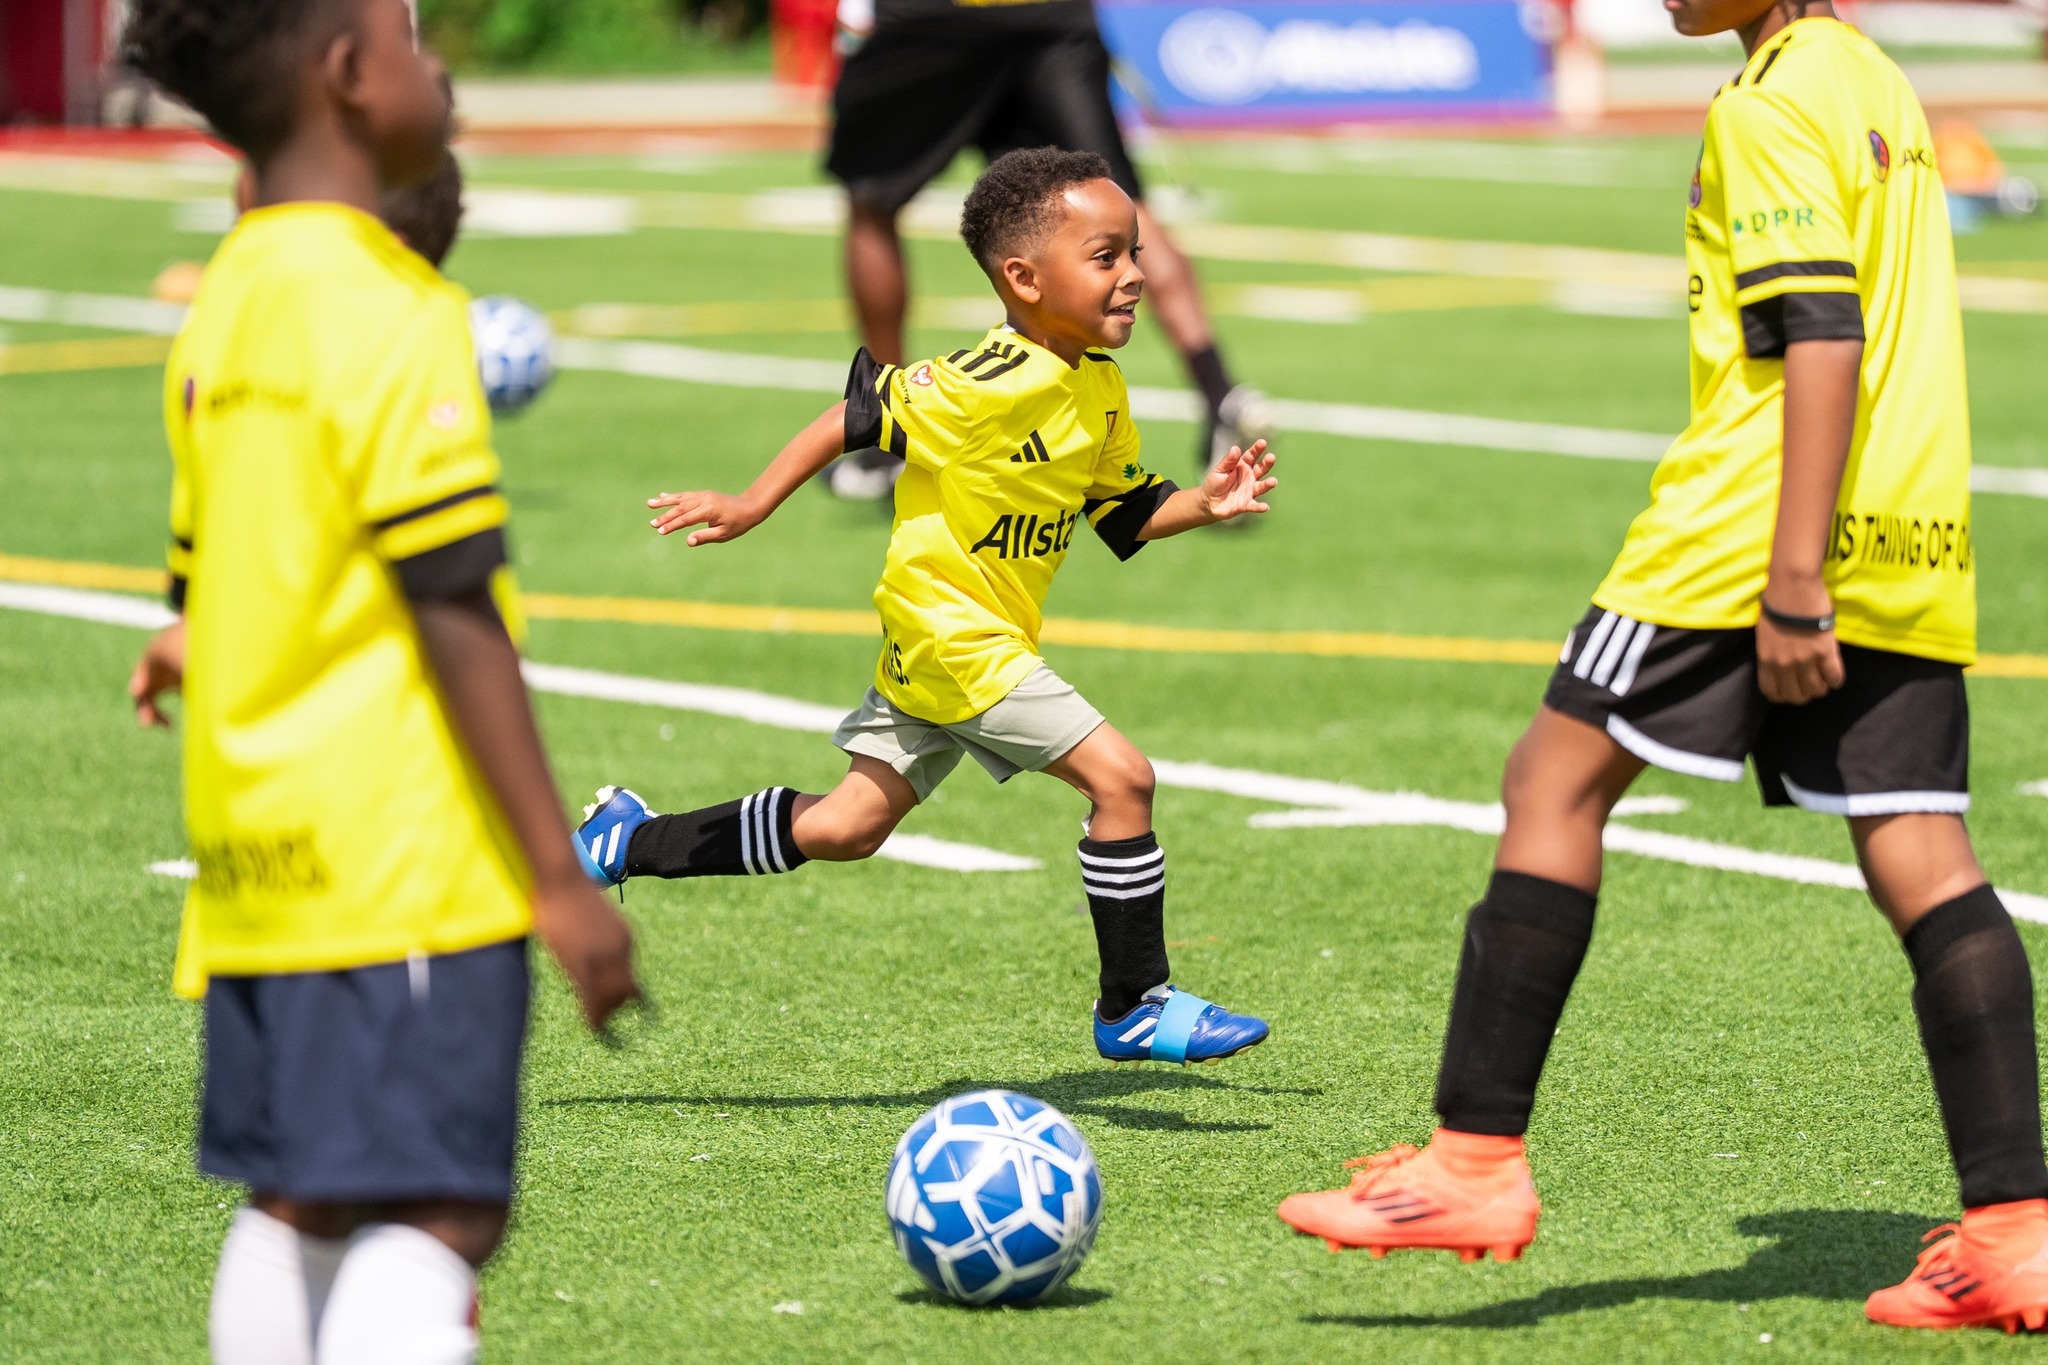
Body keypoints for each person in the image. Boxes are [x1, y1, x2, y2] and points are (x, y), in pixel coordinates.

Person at [1275, 0, 2048, 1333]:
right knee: (1923, 849)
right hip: (1910, 526)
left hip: (1750, 536)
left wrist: (1792, 578)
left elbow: (1820, 332)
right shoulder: (1873, 78)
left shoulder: (1762, 106)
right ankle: (2015, 1232)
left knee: (1551, 780)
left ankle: (1469, 1163)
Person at [120, 2, 642, 1361]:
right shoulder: (398, 310)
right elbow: (455, 607)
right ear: (349, 77)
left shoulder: (223, 301)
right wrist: (555, 874)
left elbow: (209, 565)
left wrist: (190, 637)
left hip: (255, 863)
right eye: (412, 45)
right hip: (402, 855)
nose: (437, 74)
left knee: (299, 1198)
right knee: (439, 1210)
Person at [578, 148, 1275, 1066]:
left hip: (953, 641)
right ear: (1024, 279)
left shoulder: (1099, 384)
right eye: (1107, 256)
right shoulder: (989, 379)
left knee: (845, 826)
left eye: (1135, 252)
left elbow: (1125, 509)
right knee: (1123, 779)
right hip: (958, 640)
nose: (1137, 274)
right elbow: (856, 415)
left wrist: (1203, 501)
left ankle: (626, 839)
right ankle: (1134, 1003)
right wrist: (752, 501)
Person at [821, 0, 1269, 497]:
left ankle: (887, 434)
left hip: (936, 16)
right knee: (1118, 202)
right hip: (1052, 12)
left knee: (872, 205)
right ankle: (1219, 389)